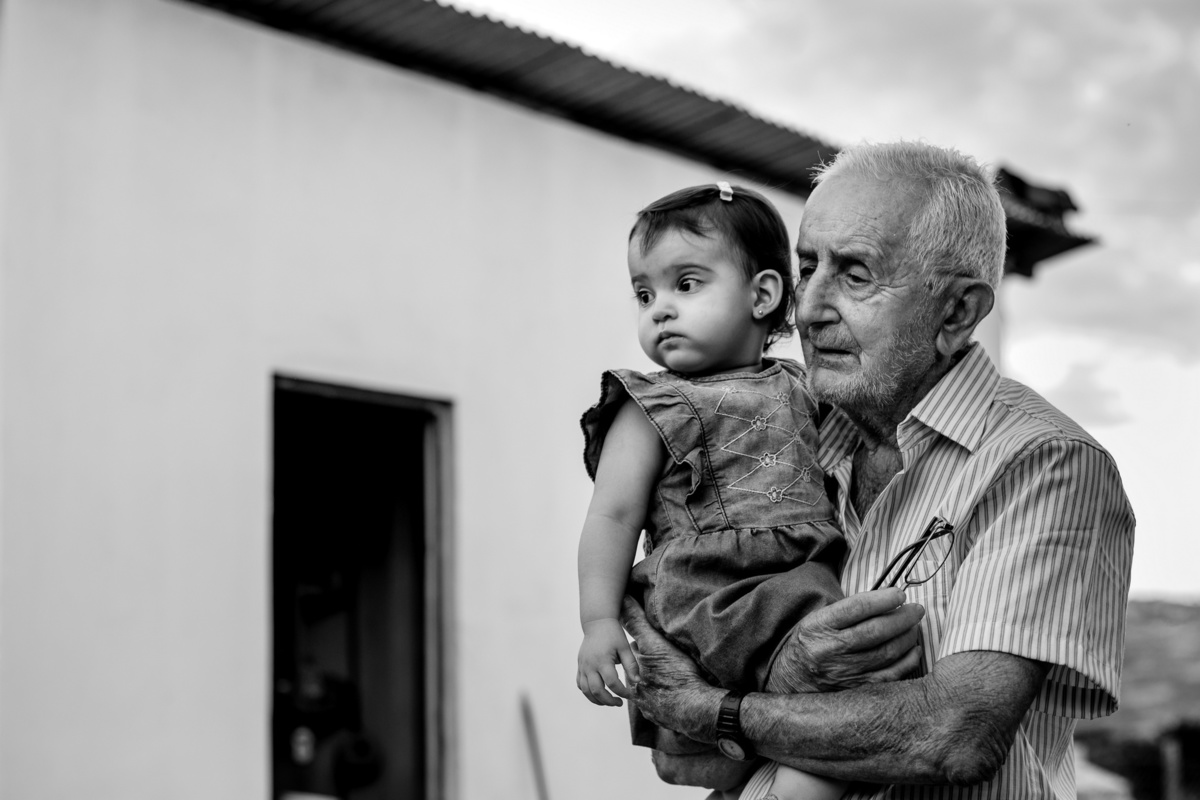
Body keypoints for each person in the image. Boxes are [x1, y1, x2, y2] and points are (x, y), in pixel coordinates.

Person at [620, 141, 1136, 800]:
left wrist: (715, 710)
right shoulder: (762, 441)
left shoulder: (1048, 464)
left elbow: (954, 736)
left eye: (856, 273)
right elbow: (676, 757)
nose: (807, 308)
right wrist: (778, 681)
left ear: (957, 313)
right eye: (808, 267)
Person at [576, 182, 852, 800]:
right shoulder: (652, 406)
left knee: (823, 744)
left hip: (796, 586)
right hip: (711, 600)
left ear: (762, 295)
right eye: (644, 293)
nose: (659, 309)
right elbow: (613, 517)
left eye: (686, 284)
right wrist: (598, 622)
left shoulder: (803, 387)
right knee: (839, 704)